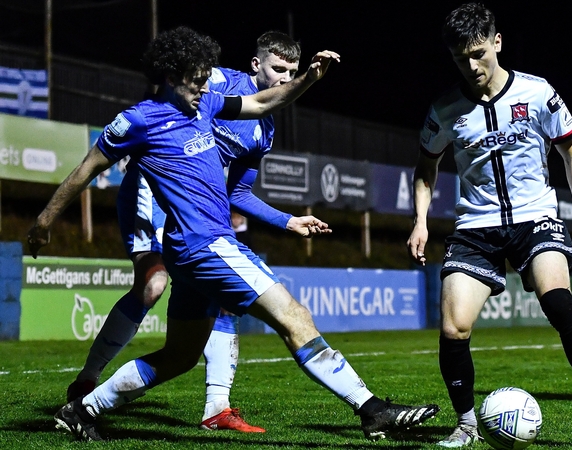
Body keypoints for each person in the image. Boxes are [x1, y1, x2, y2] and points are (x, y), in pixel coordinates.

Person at [29, 26, 438, 442]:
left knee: (181, 356)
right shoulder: (138, 120)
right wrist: (44, 222)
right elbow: (86, 169)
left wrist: (309, 79)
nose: (205, 84)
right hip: (205, 245)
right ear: (171, 76)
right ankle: (372, 410)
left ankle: (81, 410)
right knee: (295, 317)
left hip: (192, 249)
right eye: (197, 77)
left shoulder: (203, 105)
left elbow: (263, 102)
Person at [63, 30, 327, 433]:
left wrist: (286, 221)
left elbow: (237, 191)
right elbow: (168, 91)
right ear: (257, 64)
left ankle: (217, 406)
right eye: (279, 69)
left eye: (292, 72)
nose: (285, 78)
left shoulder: (263, 130)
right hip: (152, 189)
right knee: (152, 285)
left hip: (198, 211)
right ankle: (88, 378)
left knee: (220, 294)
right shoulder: (218, 82)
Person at [406, 4, 572, 447]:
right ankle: (467, 425)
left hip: (537, 218)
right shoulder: (445, 109)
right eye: (460, 59)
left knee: (559, 303)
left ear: (497, 42)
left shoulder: (537, 93)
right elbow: (425, 166)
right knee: (454, 328)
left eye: (477, 53)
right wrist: (420, 221)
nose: (471, 66)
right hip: (475, 227)